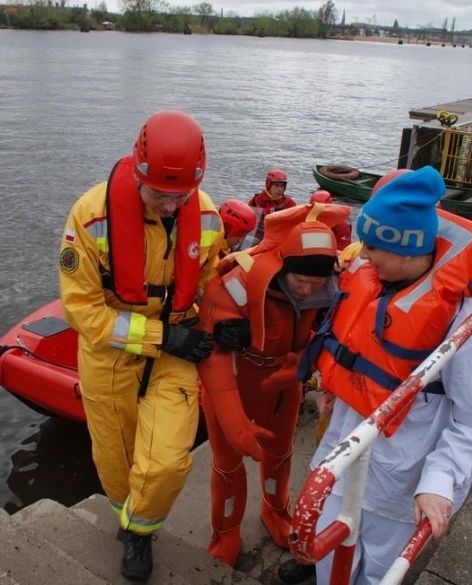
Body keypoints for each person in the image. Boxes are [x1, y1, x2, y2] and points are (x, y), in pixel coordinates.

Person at [58, 110, 224, 582]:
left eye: (181, 197)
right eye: (160, 196)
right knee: (115, 458)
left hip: (176, 352)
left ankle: (138, 529)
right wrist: (160, 335)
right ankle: (131, 526)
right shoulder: (90, 218)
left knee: (169, 461)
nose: (171, 207)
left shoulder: (207, 216)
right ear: (136, 170)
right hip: (111, 356)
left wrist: (226, 323)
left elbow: (213, 280)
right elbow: (81, 310)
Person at [292, 166, 472, 585]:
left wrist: (439, 483)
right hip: (340, 457)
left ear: (409, 249)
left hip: (398, 485)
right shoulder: (374, 279)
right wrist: (336, 389)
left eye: (373, 247)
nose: (363, 255)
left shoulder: (459, 322)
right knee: (326, 563)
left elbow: (469, 421)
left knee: (377, 575)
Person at [195, 202, 352, 568]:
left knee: (280, 458)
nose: (308, 291)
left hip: (284, 388)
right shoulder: (234, 286)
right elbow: (212, 356)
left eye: (317, 284)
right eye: (302, 282)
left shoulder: (326, 288)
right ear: (283, 266)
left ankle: (276, 511)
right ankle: (225, 530)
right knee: (228, 465)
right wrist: (234, 421)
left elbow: (331, 336)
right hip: (234, 383)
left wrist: (305, 363)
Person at [246, 169, 297, 244]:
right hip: (257, 237)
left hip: (277, 239)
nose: (279, 189)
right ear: (268, 185)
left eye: (282, 186)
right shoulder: (256, 200)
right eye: (276, 186)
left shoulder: (289, 204)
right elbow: (248, 219)